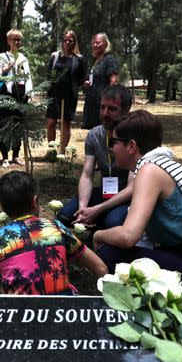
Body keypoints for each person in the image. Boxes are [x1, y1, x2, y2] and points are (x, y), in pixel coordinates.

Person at [93, 110, 182, 299]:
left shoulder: (149, 171)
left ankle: (120, 310)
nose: (111, 148)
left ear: (131, 146)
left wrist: (98, 235)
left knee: (110, 255)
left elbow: (128, 236)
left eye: (113, 142)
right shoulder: (160, 164)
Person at [0, 170, 107, 295]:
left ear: (3, 207)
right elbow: (100, 266)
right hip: (62, 310)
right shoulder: (56, 227)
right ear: (35, 201)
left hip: (20, 316)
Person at [58, 84, 133, 231]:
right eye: (102, 107)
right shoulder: (94, 135)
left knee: (112, 223)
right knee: (65, 216)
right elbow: (87, 175)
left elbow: (132, 188)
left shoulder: (135, 137)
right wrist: (83, 209)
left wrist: (97, 209)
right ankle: (94, 220)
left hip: (126, 197)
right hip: (105, 192)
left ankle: (100, 223)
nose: (105, 113)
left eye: (112, 109)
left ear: (127, 110)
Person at [0, 29, 33, 167]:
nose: (16, 42)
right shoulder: (2, 57)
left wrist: (30, 94)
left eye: (18, 40)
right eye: (14, 39)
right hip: (6, 95)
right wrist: (6, 68)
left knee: (18, 126)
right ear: (8, 41)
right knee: (5, 126)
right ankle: (4, 157)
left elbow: (28, 78)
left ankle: (16, 155)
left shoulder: (23, 58)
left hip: (21, 96)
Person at [46, 30, 88, 153]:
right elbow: (49, 75)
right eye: (65, 40)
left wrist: (84, 83)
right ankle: (52, 151)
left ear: (75, 42)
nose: (68, 43)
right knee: (51, 123)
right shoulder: (55, 56)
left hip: (70, 96)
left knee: (65, 124)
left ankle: (62, 151)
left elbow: (82, 77)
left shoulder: (79, 59)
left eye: (71, 40)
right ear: (62, 41)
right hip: (54, 94)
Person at [81, 32, 119, 129]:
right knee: (94, 133)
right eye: (93, 43)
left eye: (98, 43)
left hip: (102, 105)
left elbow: (114, 81)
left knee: (103, 133)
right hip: (92, 105)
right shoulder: (95, 62)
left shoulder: (109, 60)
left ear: (105, 44)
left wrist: (107, 100)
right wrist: (86, 84)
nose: (94, 45)